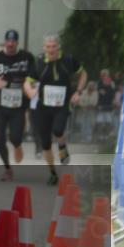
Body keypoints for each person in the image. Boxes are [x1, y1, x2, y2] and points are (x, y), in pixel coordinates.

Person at [24, 34, 86, 185]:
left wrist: (78, 92)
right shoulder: (39, 62)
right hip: (42, 107)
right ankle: (52, 172)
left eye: (53, 47)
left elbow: (83, 74)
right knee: (45, 142)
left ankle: (62, 146)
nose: (51, 50)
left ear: (59, 47)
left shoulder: (68, 60)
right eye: (48, 47)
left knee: (58, 130)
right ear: (44, 48)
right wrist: (29, 91)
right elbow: (27, 82)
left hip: (62, 105)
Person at [0, 30, 36, 182]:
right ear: (5, 41)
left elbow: (33, 77)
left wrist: (28, 86)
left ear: (17, 42)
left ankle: (17, 145)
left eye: (13, 42)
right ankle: (8, 169)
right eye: (8, 42)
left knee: (15, 137)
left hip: (18, 105)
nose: (10, 44)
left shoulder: (26, 57)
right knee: (0, 138)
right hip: (0, 105)